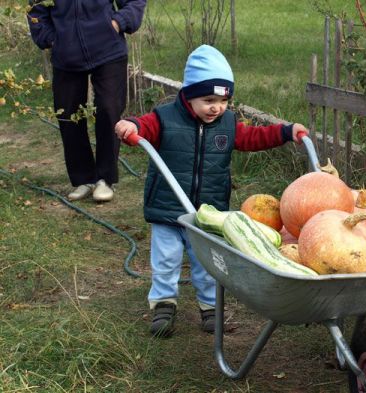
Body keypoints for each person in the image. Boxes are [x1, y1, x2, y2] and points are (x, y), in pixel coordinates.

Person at [115, 45, 310, 338]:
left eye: (223, 101)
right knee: (166, 259)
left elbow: (255, 137)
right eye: (208, 100)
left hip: (208, 213)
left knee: (208, 262)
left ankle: (210, 308)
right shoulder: (165, 118)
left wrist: (285, 132)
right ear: (189, 94)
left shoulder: (228, 124)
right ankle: (164, 305)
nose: (216, 108)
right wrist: (130, 125)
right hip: (168, 208)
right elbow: (143, 127)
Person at [27, 0, 147, 202]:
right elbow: (35, 9)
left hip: (109, 50)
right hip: (66, 55)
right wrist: (52, 39)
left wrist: (117, 23)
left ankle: (105, 179)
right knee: (67, 114)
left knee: (109, 109)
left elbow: (134, 2)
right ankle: (84, 178)